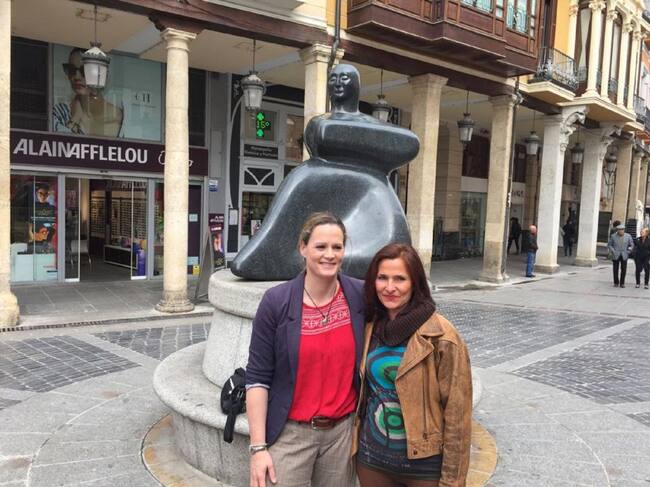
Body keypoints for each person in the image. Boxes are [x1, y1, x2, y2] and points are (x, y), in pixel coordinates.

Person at [246, 212, 365, 487]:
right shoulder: (276, 302)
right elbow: (258, 378)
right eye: (320, 246)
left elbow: (402, 301)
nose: (330, 255)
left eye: (337, 247)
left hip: (342, 435)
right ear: (303, 248)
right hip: (291, 434)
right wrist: (258, 448)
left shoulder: (358, 295)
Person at [352, 243, 472, 487]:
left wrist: (453, 481)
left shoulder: (441, 335)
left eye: (400, 279)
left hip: (423, 467)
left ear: (415, 283)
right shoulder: (369, 326)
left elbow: (457, 416)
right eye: (382, 278)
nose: (389, 287)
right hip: (372, 460)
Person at [52, 47, 124, 137]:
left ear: (102, 75)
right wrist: (74, 120)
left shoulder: (120, 117)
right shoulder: (60, 114)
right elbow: (59, 144)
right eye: (71, 70)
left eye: (85, 70)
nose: (77, 77)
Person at [608, 224, 634, 288]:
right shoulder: (613, 236)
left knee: (624, 269)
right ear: (618, 230)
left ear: (624, 230)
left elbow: (631, 245)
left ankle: (622, 283)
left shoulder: (628, 236)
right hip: (616, 255)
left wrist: (628, 251)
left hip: (624, 255)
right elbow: (609, 245)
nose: (621, 231)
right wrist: (613, 251)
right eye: (620, 230)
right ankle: (616, 282)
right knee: (615, 269)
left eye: (622, 230)